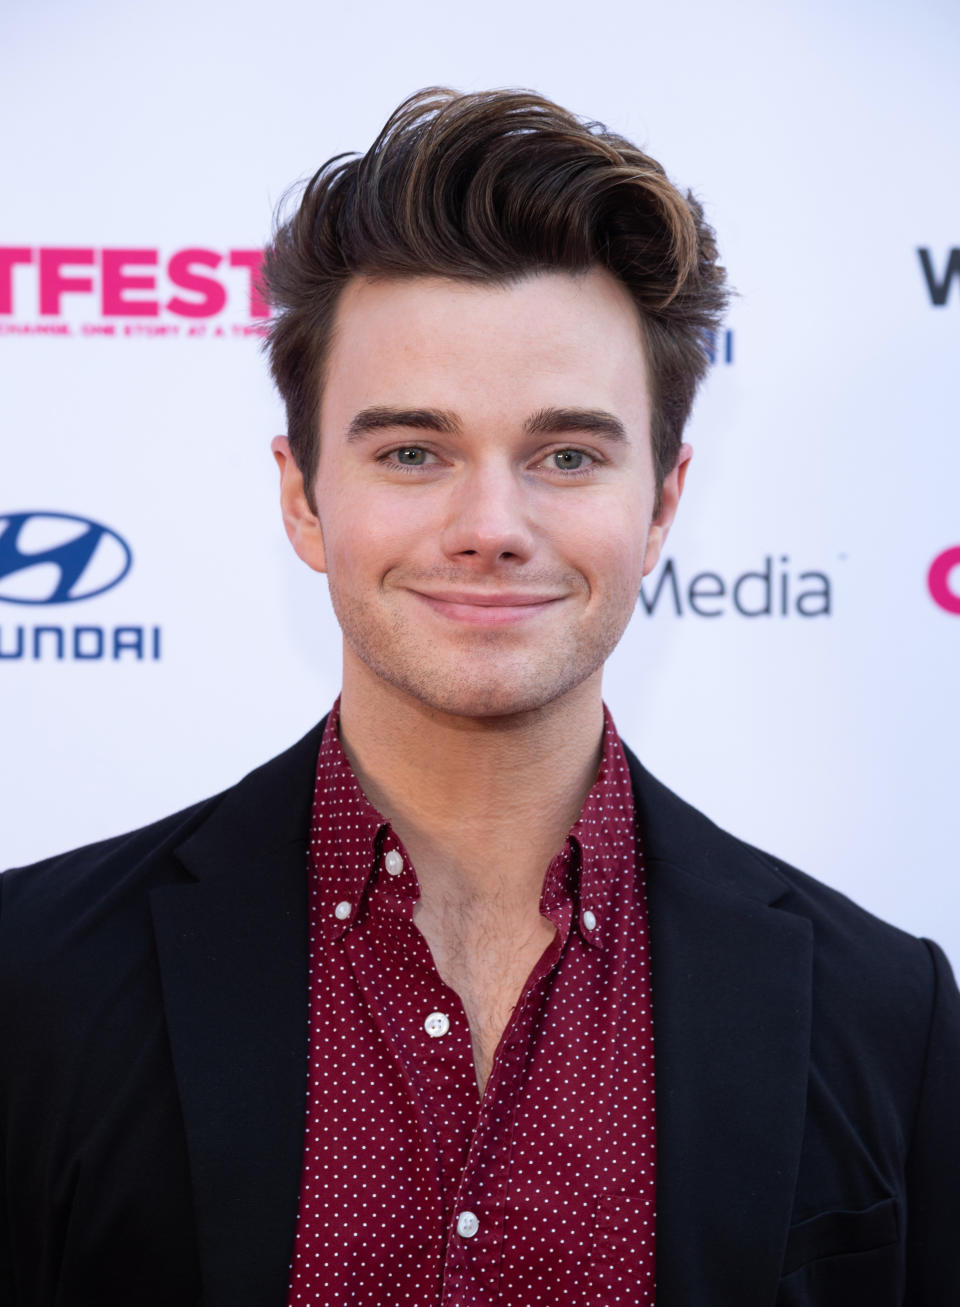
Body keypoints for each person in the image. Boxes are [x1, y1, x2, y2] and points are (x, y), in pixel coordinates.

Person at [1, 87, 957, 1307]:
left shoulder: (887, 1014)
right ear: (301, 497)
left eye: (568, 454)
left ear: (663, 503)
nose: (491, 528)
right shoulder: (31, 983)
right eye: (413, 451)